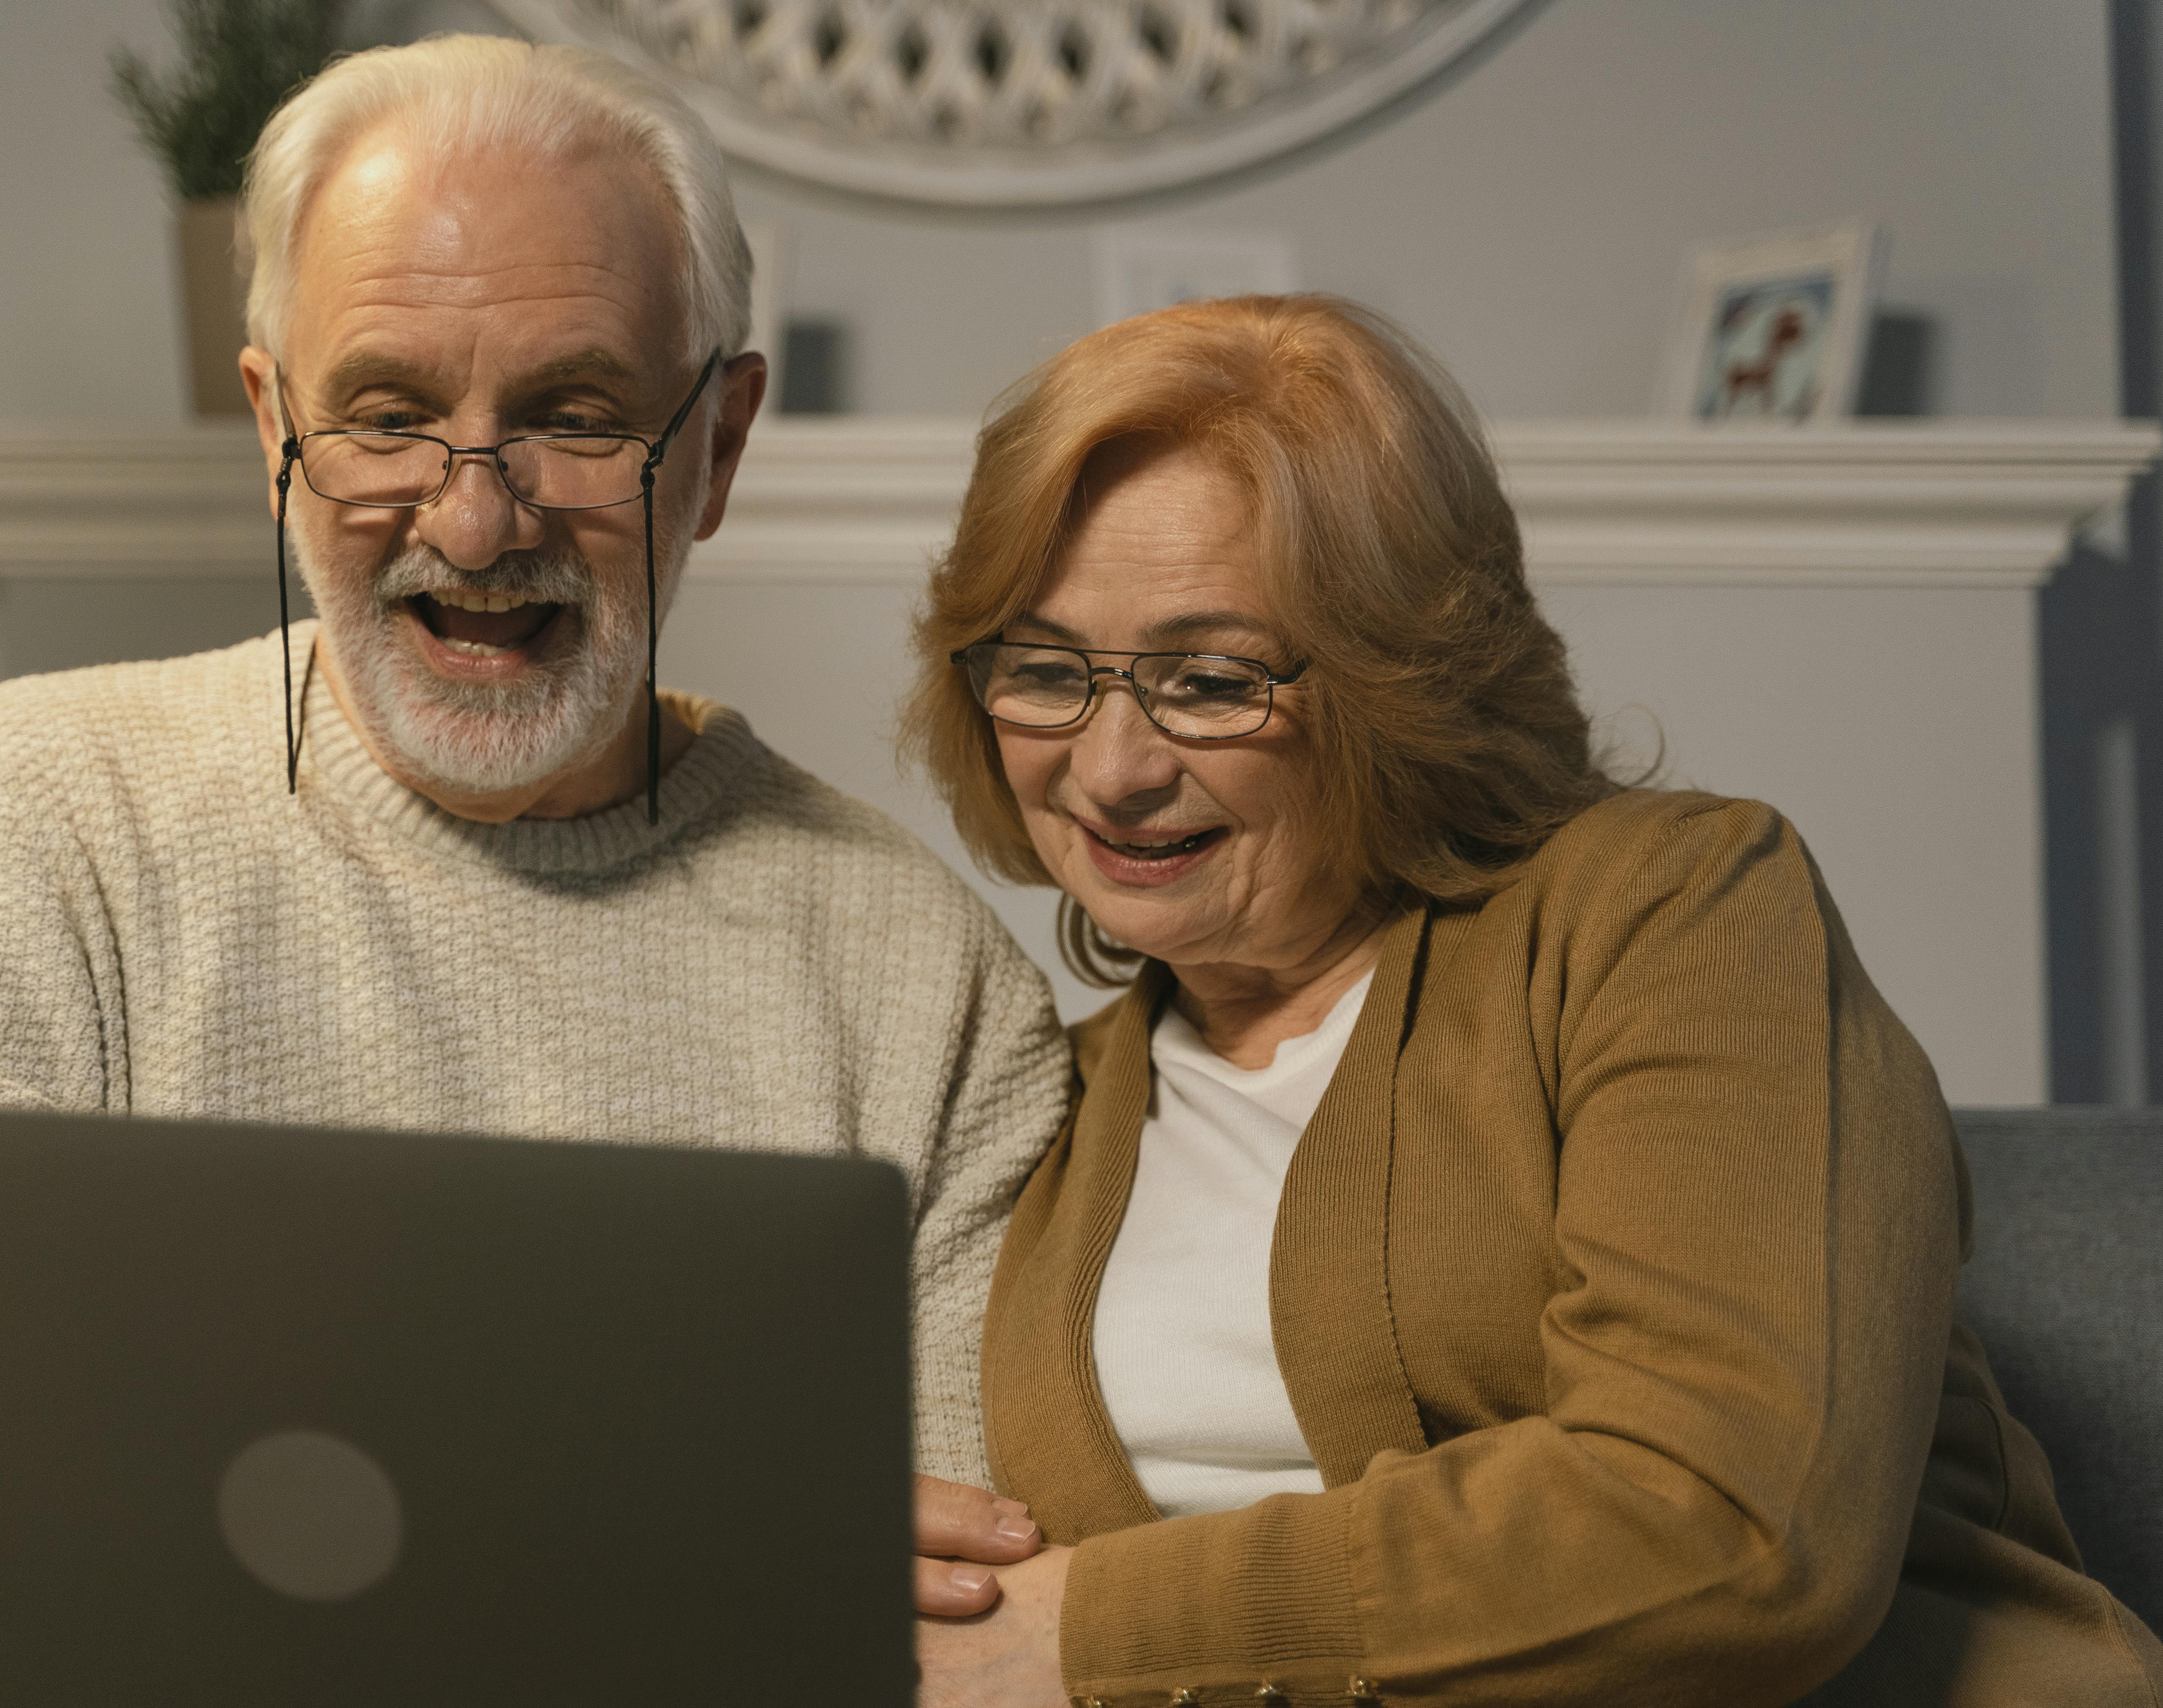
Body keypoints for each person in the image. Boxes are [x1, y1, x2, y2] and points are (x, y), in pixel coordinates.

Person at [0, 35, 1071, 1494]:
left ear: (718, 444)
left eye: (575, 418)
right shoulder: (24, 822)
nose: (472, 526)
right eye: (387, 418)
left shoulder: (926, 990)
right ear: (274, 428)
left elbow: (953, 1607)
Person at [899, 295, 2163, 1704]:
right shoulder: (1034, 1104)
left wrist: (1095, 1629)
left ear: (1398, 680)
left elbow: (1734, 1527)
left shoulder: (1673, 911)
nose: (1115, 766)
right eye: (1050, 673)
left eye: (1209, 679)